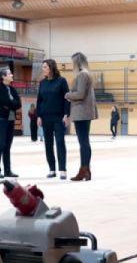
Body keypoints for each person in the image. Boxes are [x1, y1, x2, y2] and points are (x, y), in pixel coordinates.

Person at [65, 52, 97, 181]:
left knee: (83, 143)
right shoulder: (86, 74)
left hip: (81, 112)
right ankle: (85, 170)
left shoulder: (82, 74)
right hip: (83, 112)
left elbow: (80, 94)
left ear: (77, 62)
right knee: (84, 142)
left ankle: (84, 170)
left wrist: (67, 95)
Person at [36, 59, 69, 180]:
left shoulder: (61, 81)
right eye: (43, 67)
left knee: (60, 142)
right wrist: (39, 116)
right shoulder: (42, 83)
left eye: (45, 67)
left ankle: (62, 170)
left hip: (59, 117)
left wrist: (66, 114)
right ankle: (52, 169)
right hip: (45, 118)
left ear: (51, 68)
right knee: (48, 144)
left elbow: (67, 99)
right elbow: (39, 100)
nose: (43, 69)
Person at [0, 66, 21, 179]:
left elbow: (18, 104)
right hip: (1, 119)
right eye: (9, 74)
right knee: (0, 144)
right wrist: (11, 103)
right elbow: (6, 102)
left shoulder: (12, 89)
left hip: (11, 118)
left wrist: (10, 104)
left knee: (8, 145)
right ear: (3, 76)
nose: (12, 75)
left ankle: (7, 171)